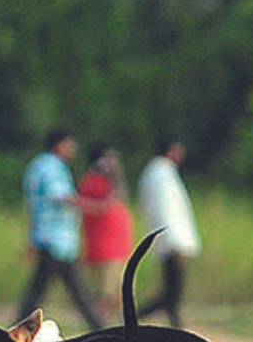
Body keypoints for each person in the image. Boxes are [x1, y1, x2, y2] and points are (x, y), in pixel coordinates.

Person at [17, 127, 105, 331]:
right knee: (66, 290)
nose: (73, 149)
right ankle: (100, 328)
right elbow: (61, 196)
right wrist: (91, 206)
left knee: (43, 290)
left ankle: (18, 327)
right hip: (54, 237)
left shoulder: (41, 165)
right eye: (70, 144)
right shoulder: (50, 167)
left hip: (51, 237)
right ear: (60, 144)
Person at [137, 136, 200, 328]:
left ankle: (173, 322)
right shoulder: (160, 174)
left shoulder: (161, 172)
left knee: (172, 290)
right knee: (173, 290)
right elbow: (166, 210)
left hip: (170, 239)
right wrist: (174, 241)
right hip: (171, 240)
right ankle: (139, 315)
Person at [78, 143, 134, 322]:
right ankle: (100, 324)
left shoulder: (110, 181)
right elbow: (104, 205)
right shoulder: (92, 182)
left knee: (118, 291)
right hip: (104, 246)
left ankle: (109, 323)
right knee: (106, 293)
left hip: (117, 244)